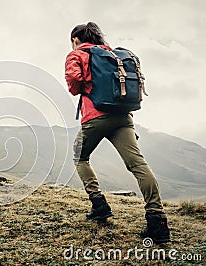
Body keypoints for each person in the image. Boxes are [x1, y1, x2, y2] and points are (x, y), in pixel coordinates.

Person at [65, 22, 170, 243]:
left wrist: (83, 84)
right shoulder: (111, 54)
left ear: (76, 39)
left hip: (95, 117)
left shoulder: (77, 54)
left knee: (79, 157)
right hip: (123, 117)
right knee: (138, 165)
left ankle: (99, 205)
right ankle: (157, 221)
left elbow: (74, 83)